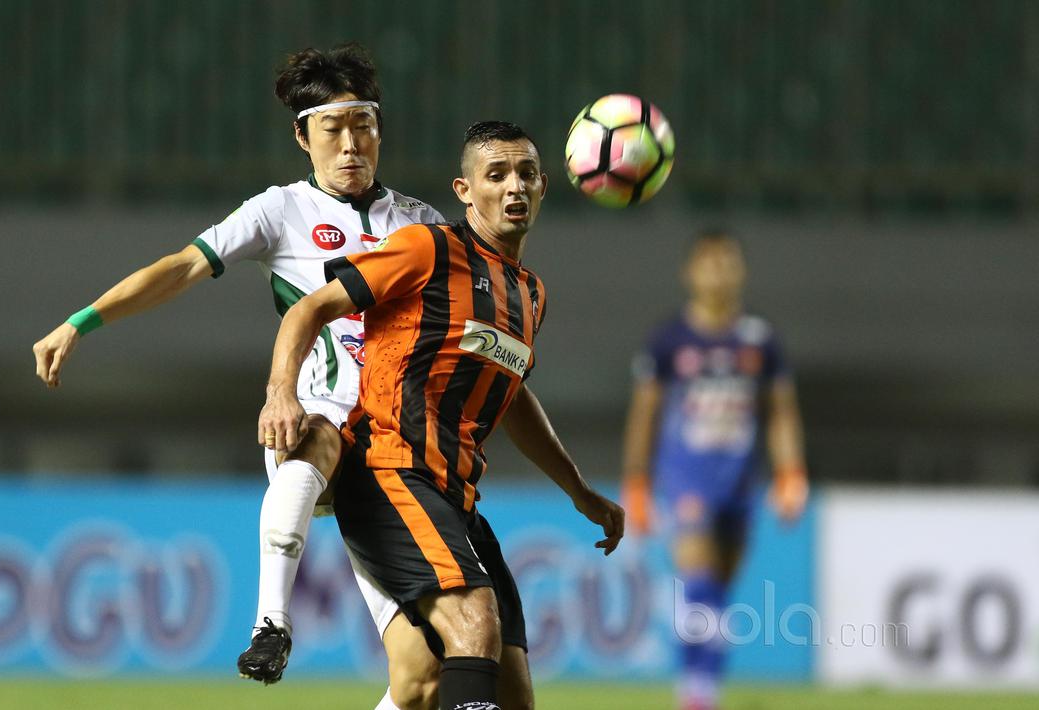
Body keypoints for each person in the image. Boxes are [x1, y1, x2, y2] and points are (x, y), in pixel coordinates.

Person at [29, 43, 447, 697]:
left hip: (396, 451)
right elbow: (181, 267)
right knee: (314, 427)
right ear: (301, 136)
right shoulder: (279, 211)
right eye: (332, 129)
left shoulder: (422, 224)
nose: (350, 146)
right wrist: (82, 321)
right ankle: (271, 622)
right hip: (308, 423)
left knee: (423, 675)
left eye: (362, 126)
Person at [259, 121, 625, 710]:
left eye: (526, 175)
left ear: (545, 186)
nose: (513, 188)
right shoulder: (427, 248)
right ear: (464, 189)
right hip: (389, 470)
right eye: (496, 175)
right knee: (472, 622)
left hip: (455, 494)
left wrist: (579, 491)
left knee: (508, 688)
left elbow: (512, 399)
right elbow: (309, 309)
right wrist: (282, 393)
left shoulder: (529, 295)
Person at [619, 231, 809, 710]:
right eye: (709, 263)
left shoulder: (761, 341)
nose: (719, 271)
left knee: (720, 592)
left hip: (741, 482)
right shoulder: (669, 341)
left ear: (741, 270)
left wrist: (790, 473)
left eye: (727, 262)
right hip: (686, 479)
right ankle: (697, 692)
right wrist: (637, 483)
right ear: (690, 273)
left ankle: (706, 684)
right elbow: (646, 416)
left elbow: (781, 411)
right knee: (699, 582)